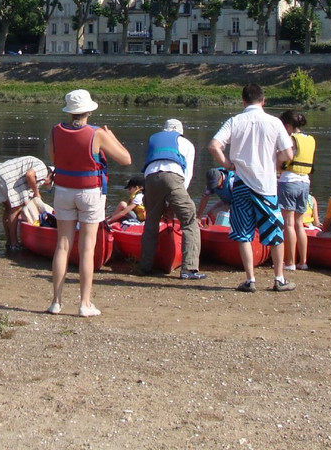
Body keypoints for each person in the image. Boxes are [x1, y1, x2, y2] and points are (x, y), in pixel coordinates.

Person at [48, 89, 132, 317]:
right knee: (86, 248)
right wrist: (111, 136)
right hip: (90, 193)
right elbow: (126, 159)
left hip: (64, 191)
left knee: (62, 246)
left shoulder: (56, 131)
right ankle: (84, 304)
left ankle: (56, 301)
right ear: (88, 111)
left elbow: (56, 159)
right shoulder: (98, 134)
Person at [207, 83, 295, 293]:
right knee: (274, 232)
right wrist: (277, 165)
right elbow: (288, 155)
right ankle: (279, 278)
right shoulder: (274, 123)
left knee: (243, 233)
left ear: (243, 101)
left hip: (241, 183)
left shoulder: (235, 121)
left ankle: (250, 279)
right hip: (266, 185)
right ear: (263, 101)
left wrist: (227, 165)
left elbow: (213, 146)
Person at [140, 118, 203, 280]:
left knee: (151, 223)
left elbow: (150, 163)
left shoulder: (153, 139)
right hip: (173, 177)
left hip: (150, 178)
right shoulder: (187, 144)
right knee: (189, 220)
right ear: (180, 131)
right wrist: (173, 202)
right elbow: (187, 176)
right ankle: (189, 269)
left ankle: (145, 266)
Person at [277, 110, 314, 273]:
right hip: (305, 183)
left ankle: (289, 262)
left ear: (287, 126)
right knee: (300, 223)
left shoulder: (290, 139)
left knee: (288, 223)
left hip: (289, 182)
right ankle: (303, 261)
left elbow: (281, 159)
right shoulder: (311, 140)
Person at [0, 155, 50, 250]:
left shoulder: (37, 167)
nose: (46, 184)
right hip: (5, 176)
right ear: (50, 176)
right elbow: (29, 175)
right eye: (49, 183)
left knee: (8, 209)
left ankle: (9, 241)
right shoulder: (43, 169)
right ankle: (14, 243)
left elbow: (26, 197)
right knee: (15, 210)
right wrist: (37, 193)